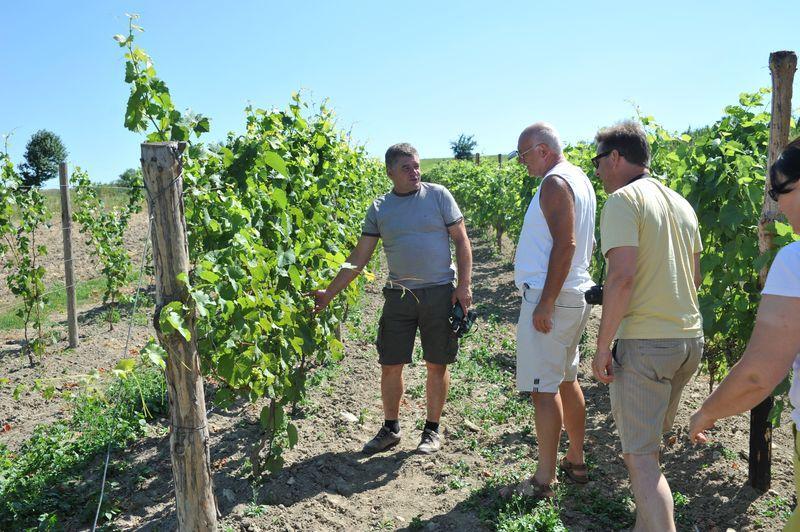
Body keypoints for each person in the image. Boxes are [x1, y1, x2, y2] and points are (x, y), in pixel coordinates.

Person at [311, 142, 473, 455]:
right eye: (406, 168)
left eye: (416, 166)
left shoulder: (438, 195)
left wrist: (464, 285)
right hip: (399, 295)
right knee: (390, 364)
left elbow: (462, 242)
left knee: (436, 364)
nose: (414, 172)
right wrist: (329, 293)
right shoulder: (380, 208)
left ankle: (432, 430)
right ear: (390, 173)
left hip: (440, 291)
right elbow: (359, 257)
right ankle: (391, 428)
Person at [591, 121, 703, 531]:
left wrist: (603, 347)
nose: (598, 170)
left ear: (617, 158)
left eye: (599, 160)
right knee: (650, 450)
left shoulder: (623, 201)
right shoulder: (681, 204)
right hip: (689, 340)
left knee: (639, 459)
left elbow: (621, 278)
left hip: (646, 344)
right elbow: (694, 278)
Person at [689, 138, 800, 532]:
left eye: (777, 191)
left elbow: (758, 374)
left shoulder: (794, 262)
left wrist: (705, 413)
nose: (775, 205)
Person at [505, 122, 597, 499]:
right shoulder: (581, 180)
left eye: (524, 155)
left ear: (542, 150)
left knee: (543, 390)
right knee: (565, 379)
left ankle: (544, 481)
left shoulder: (555, 183)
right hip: (573, 295)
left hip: (553, 297)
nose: (522, 162)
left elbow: (566, 245)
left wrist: (544, 301)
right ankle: (575, 459)